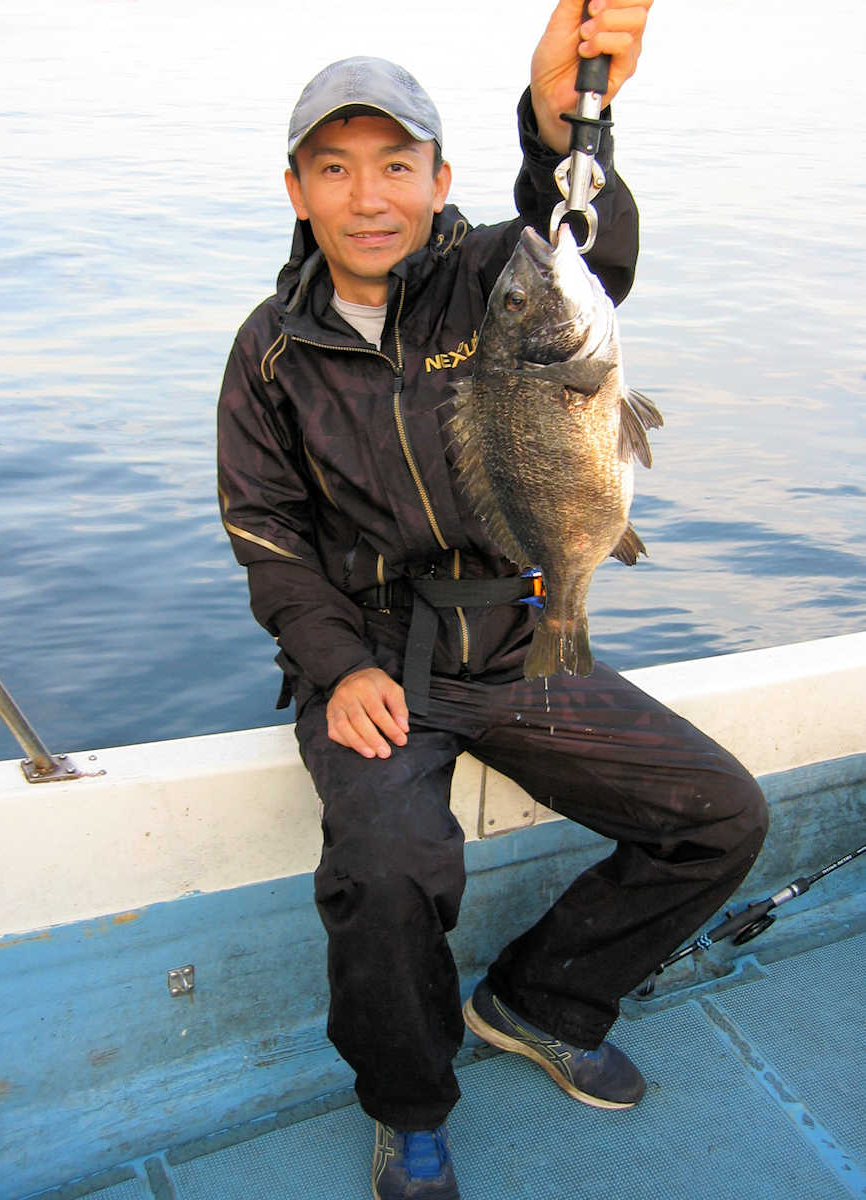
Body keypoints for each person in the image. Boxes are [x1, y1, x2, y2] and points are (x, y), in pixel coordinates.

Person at [217, 3, 768, 1196]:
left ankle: (540, 999)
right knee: (389, 867)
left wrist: (563, 121)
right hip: (376, 659)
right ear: (297, 191)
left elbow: (586, 251)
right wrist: (337, 667)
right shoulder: (269, 353)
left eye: (396, 165)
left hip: (524, 633)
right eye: (335, 168)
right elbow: (265, 534)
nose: (370, 197)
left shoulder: (496, 279)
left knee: (721, 816)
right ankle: (410, 1109)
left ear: (440, 179)